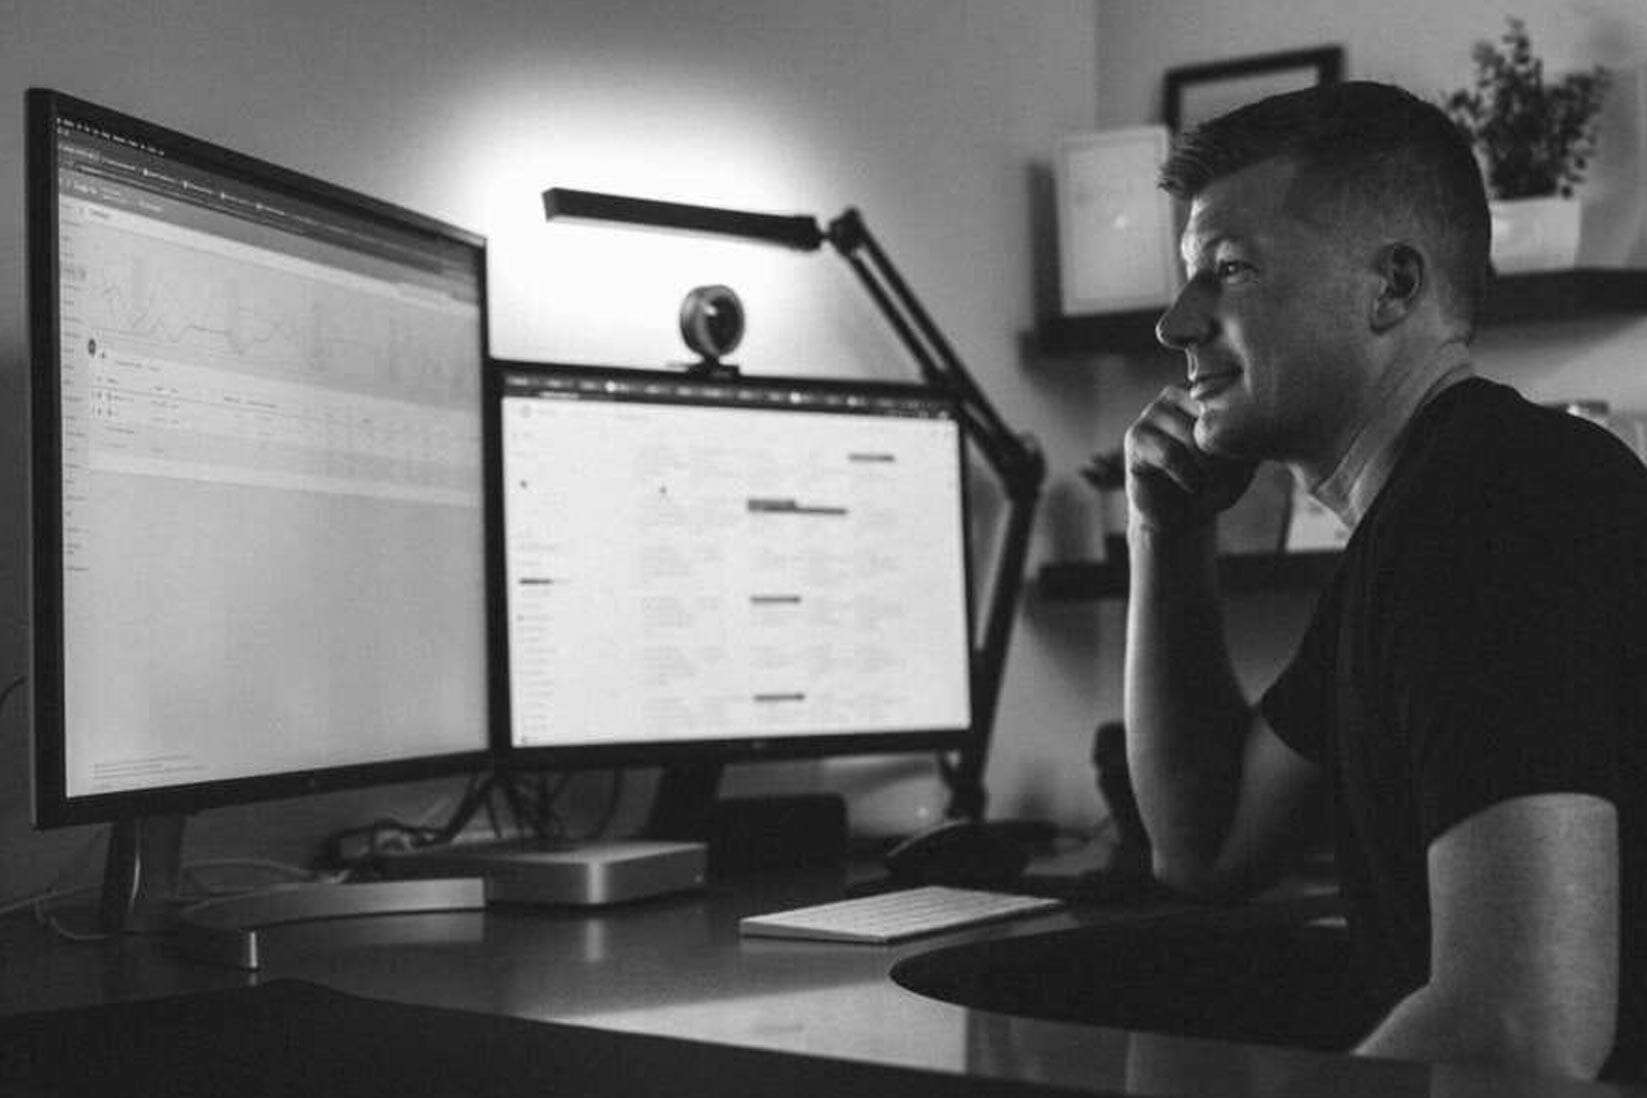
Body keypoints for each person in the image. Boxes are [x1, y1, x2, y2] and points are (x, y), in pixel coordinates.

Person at [1122, 80, 1646, 1082]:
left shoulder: (1498, 507)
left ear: (1392, 287)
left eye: (1227, 271)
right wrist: (1167, 532)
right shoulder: (1413, 527)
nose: (1176, 322)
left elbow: (1518, 1034)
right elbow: (1206, 840)